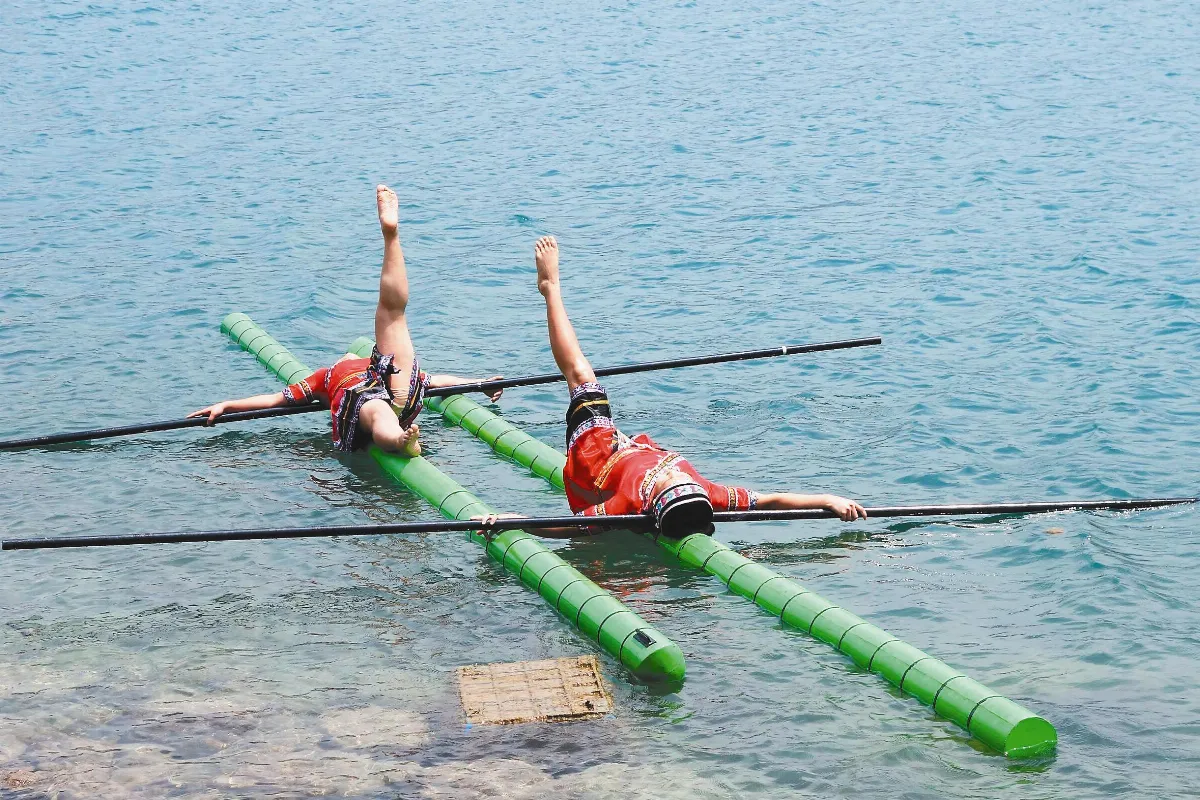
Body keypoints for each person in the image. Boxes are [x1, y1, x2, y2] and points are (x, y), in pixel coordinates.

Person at [481, 235, 867, 539]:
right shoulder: (704, 492)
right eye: (682, 479)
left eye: (673, 481)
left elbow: (561, 525)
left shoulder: (628, 505)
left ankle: (550, 288)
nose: (679, 475)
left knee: (582, 376)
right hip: (630, 446)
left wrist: (508, 521)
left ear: (656, 498)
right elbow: (770, 499)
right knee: (590, 383)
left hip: (598, 455)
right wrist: (828, 499)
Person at [189, 185, 504, 456]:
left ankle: (399, 439)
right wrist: (479, 383)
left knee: (379, 411)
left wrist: (228, 405)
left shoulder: (324, 378)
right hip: (400, 386)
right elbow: (434, 380)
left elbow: (274, 400)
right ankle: (391, 237)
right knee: (393, 315)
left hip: (372, 399)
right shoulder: (362, 364)